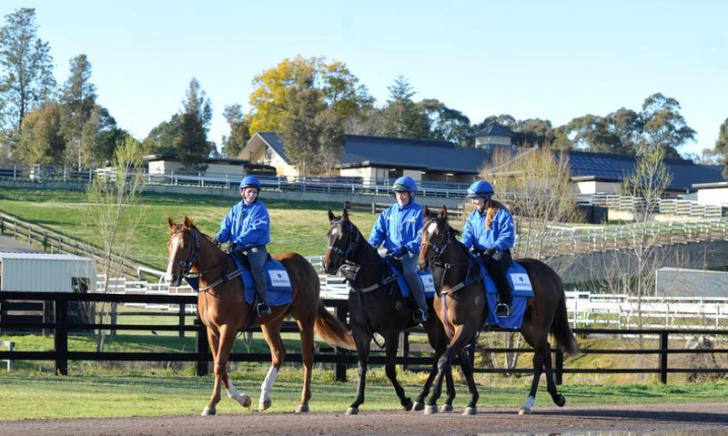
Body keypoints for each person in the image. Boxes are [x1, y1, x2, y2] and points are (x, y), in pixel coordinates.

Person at [369, 176, 428, 323]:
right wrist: (372, 246)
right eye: (397, 193)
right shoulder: (388, 213)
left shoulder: (419, 212)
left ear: (411, 194)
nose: (400, 196)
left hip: (409, 254)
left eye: (403, 193)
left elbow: (422, 236)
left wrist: (407, 248)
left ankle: (422, 309)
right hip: (389, 252)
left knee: (409, 273)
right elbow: (378, 233)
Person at [214, 175, 272, 317]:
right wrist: (219, 236)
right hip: (236, 247)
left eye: (254, 192)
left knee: (256, 269)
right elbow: (226, 226)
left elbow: (256, 229)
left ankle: (264, 303)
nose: (252, 195)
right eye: (249, 191)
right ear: (242, 192)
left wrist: (238, 241)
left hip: (255, 248)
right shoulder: (235, 209)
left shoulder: (260, 208)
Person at [461, 179, 515, 317]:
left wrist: (494, 248)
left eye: (476, 199)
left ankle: (505, 302)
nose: (474, 202)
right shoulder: (473, 217)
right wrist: (462, 248)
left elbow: (507, 236)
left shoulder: (502, 213)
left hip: (499, 253)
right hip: (479, 252)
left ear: (486, 197)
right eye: (472, 199)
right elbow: (467, 237)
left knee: (496, 267)